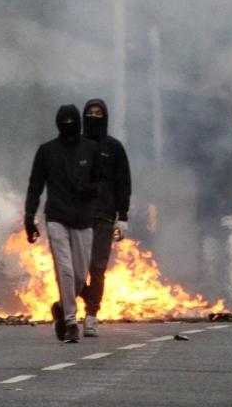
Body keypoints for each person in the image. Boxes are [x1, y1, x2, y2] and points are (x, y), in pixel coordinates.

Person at [24, 104, 100, 343]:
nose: (68, 123)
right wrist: (29, 217)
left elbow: (100, 181)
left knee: (79, 275)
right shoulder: (47, 151)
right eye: (63, 119)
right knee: (65, 271)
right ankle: (70, 322)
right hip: (57, 217)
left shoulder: (91, 149)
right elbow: (35, 186)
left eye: (71, 119)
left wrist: (88, 189)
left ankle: (59, 306)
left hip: (84, 219)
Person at [78, 98, 131, 338]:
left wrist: (123, 216)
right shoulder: (73, 146)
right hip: (76, 215)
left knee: (97, 268)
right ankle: (82, 298)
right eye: (90, 113)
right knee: (74, 270)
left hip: (105, 216)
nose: (94, 117)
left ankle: (91, 315)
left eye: (99, 113)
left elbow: (123, 183)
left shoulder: (114, 147)